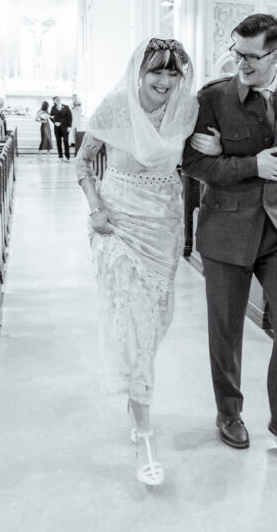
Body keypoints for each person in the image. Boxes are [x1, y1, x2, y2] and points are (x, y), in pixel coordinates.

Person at [75, 38, 220, 486]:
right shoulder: (117, 106)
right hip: (118, 226)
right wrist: (95, 208)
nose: (164, 80)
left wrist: (212, 153)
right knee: (133, 321)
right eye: (157, 71)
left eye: (173, 72)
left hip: (163, 229)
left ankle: (134, 389)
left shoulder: (186, 109)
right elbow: (83, 162)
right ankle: (144, 431)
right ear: (140, 71)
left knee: (154, 324)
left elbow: (196, 159)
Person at [181, 13, 277, 466]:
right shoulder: (214, 98)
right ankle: (229, 414)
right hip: (227, 227)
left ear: (276, 55)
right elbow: (194, 165)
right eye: (235, 52)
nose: (239, 61)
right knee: (226, 328)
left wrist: (243, 158)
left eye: (249, 56)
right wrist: (247, 165)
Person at [50, 95, 72, 161]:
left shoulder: (66, 107)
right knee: (58, 142)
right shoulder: (53, 108)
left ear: (59, 99)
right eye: (55, 100)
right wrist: (54, 122)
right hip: (57, 128)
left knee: (65, 141)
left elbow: (70, 117)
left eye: (58, 99)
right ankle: (60, 156)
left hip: (65, 127)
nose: (57, 100)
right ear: (53, 101)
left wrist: (69, 126)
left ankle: (67, 157)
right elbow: (51, 117)